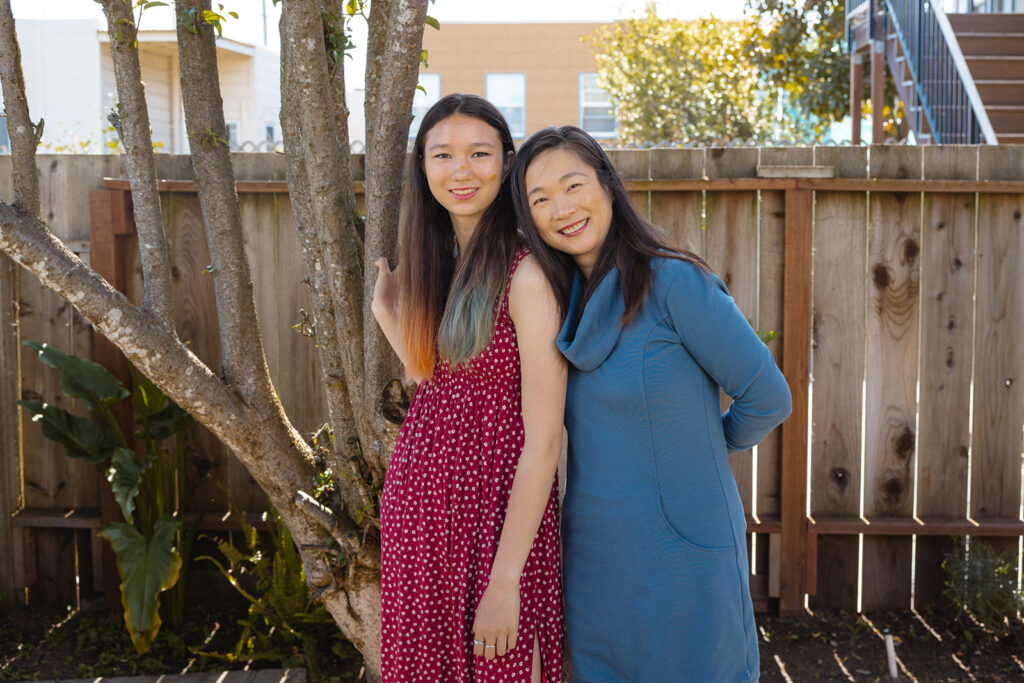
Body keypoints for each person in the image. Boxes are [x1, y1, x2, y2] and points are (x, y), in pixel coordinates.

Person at [509, 126, 792, 682]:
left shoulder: (674, 283)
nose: (561, 208)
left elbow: (768, 397)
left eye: (573, 185)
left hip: (687, 548)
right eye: (540, 199)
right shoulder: (556, 304)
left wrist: (704, 447)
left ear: (608, 186)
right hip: (597, 554)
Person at [371, 94, 565, 683]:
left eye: (480, 153)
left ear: (507, 163)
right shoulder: (440, 259)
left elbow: (545, 441)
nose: (461, 170)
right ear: (423, 168)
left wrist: (506, 582)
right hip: (421, 510)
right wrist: (388, 312)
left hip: (499, 512)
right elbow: (440, 384)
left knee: (502, 660)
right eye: (443, 155)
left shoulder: (527, 274)